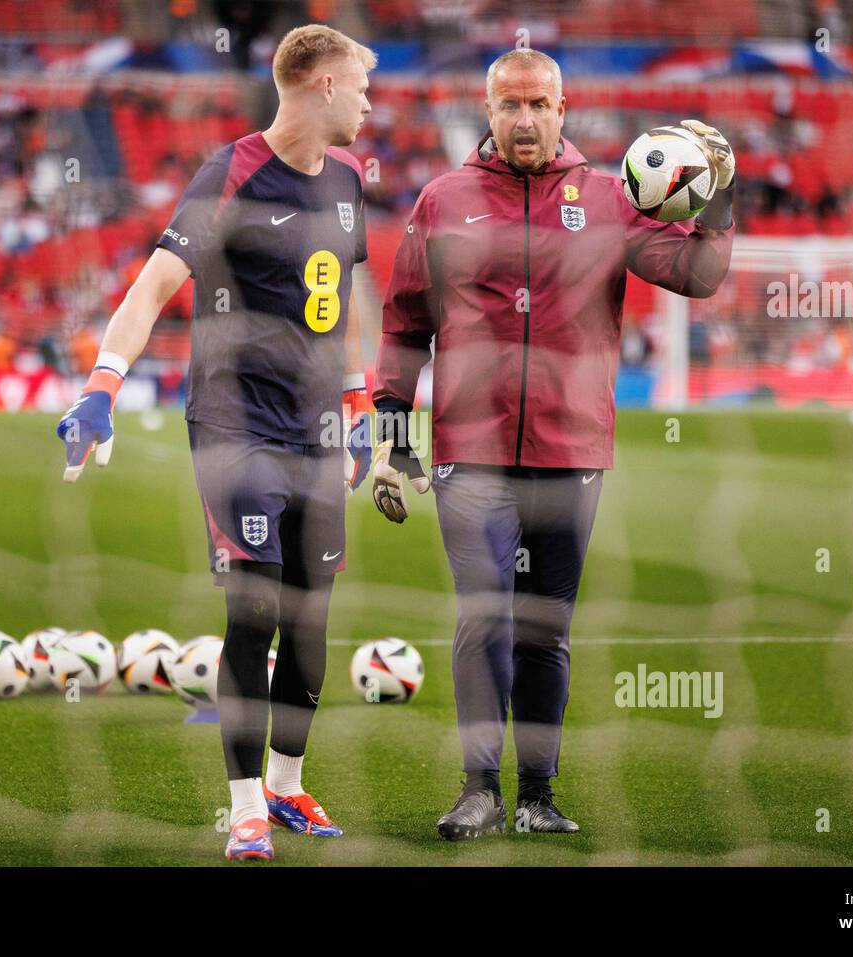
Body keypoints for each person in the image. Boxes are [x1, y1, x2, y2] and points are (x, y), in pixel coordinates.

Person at [370, 49, 736, 840]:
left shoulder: (609, 199)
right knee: (482, 617)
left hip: (571, 452)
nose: (526, 119)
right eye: (511, 105)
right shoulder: (443, 199)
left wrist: (720, 200)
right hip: (470, 451)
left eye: (540, 105)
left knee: (545, 628)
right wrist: (391, 437)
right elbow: (403, 325)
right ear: (489, 109)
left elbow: (698, 277)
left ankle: (537, 793)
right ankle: (479, 790)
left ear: (563, 110)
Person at [55, 24, 376, 862]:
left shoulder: (347, 181)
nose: (373, 103)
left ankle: (286, 783)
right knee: (256, 608)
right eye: (362, 85)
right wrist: (102, 386)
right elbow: (153, 284)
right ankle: (242, 809)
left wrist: (359, 401)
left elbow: (345, 301)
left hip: (316, 431)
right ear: (324, 86)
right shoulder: (229, 172)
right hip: (236, 426)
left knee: (311, 616)